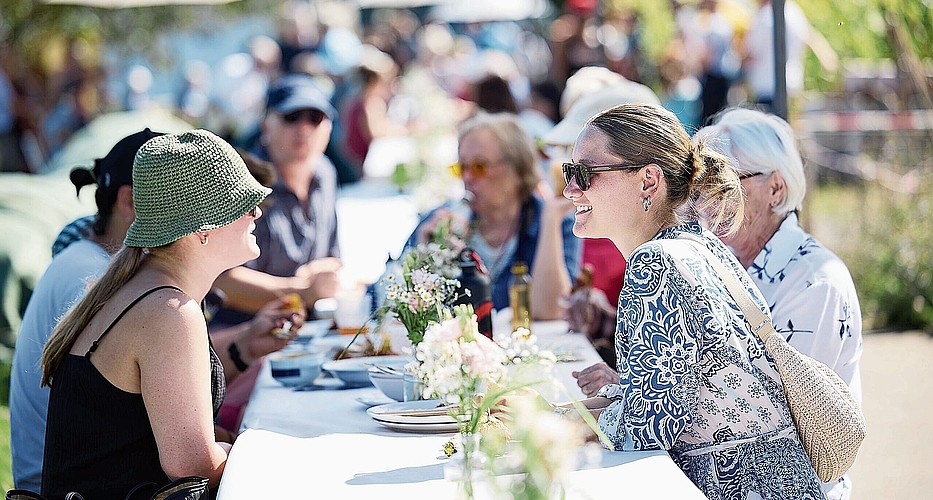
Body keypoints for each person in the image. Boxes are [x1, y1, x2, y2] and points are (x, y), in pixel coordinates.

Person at [561, 103, 826, 499]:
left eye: (585, 173)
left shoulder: (655, 263)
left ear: (648, 181)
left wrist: (550, 424)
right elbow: (667, 398)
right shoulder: (702, 245)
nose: (570, 189)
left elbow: (647, 427)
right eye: (569, 172)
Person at [38, 129, 271, 499]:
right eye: (242, 204)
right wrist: (267, 454)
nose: (256, 212)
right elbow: (192, 465)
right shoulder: (168, 311)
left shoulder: (144, 290)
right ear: (203, 227)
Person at [695, 107, 862, 499]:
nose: (704, 201)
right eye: (699, 183)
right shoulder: (719, 260)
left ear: (775, 189)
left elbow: (771, 419)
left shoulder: (816, 282)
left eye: (724, 182)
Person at [407, 112, 581, 319]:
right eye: (461, 167)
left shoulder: (555, 221)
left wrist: (551, 221)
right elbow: (387, 302)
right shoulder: (438, 221)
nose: (467, 177)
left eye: (479, 167)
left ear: (517, 171)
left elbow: (551, 311)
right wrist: (423, 256)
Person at [214, 74, 342, 321]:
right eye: (291, 117)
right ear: (265, 125)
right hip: (246, 332)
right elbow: (222, 282)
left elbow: (333, 258)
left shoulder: (326, 173)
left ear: (329, 127)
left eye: (315, 118)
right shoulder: (242, 182)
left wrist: (320, 271)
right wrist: (301, 292)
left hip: (308, 328)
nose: (304, 128)